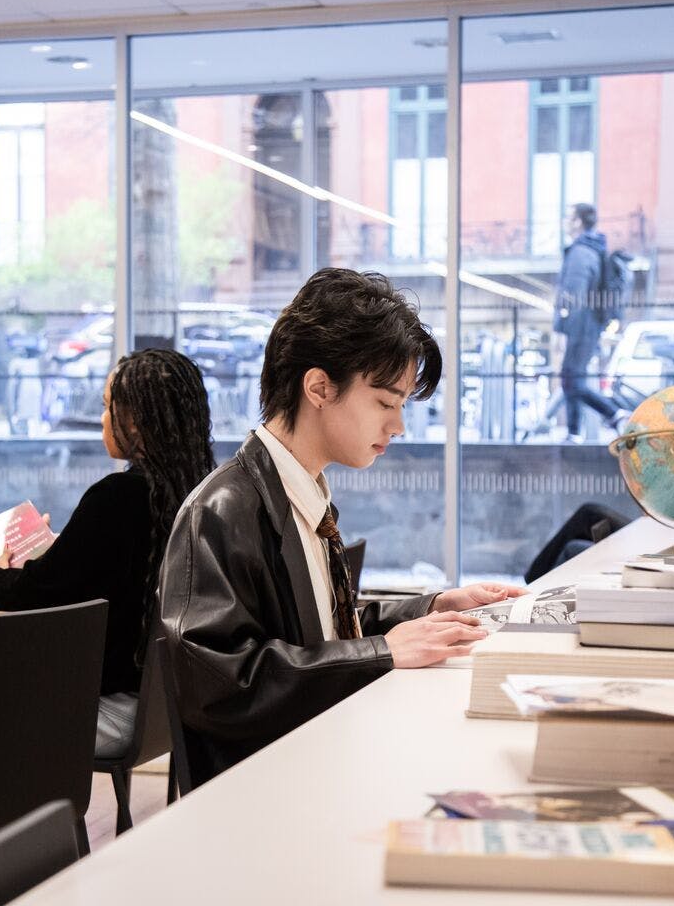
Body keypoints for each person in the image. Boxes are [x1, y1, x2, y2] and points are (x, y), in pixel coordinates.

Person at [159, 268, 529, 784]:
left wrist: (431, 608)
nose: (398, 426)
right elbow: (221, 686)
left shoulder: (300, 491)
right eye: (386, 402)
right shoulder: (219, 513)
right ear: (319, 387)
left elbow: (323, 633)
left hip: (323, 760)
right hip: (267, 794)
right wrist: (380, 653)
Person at [0, 348, 216, 759]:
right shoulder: (204, 494)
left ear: (136, 422)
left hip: (109, 709)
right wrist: (61, 550)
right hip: (169, 707)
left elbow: (27, 595)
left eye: (109, 408)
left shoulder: (116, 498)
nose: (102, 420)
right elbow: (94, 572)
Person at [554, 203, 623, 442]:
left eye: (567, 217)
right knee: (571, 377)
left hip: (581, 326)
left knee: (571, 378)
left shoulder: (580, 253)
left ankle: (615, 413)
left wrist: (562, 330)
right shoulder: (593, 249)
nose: (564, 221)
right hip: (588, 324)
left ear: (577, 222)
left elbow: (573, 295)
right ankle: (574, 432)